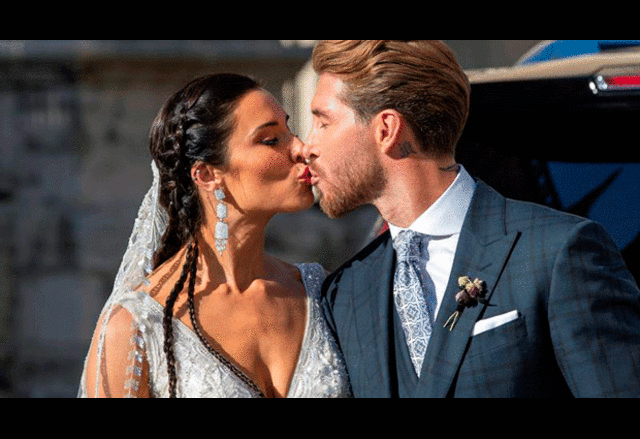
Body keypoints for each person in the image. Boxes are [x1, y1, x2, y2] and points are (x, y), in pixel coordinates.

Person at [301, 40, 640, 397]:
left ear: (386, 130)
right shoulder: (345, 292)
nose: (307, 146)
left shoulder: (558, 253)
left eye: (323, 122)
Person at [78, 73, 351, 398]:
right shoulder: (136, 327)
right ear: (207, 175)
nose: (301, 148)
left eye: (289, 130)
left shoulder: (323, 293)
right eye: (271, 139)